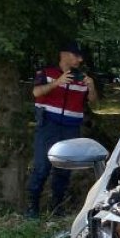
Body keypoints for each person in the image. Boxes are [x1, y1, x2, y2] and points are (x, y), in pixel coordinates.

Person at [26, 42, 96, 218]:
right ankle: (32, 208)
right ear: (64, 54)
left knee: (64, 168)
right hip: (48, 125)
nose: (80, 59)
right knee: (42, 167)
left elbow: (94, 102)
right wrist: (58, 82)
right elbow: (36, 92)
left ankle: (57, 208)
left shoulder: (81, 77)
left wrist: (91, 86)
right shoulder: (47, 73)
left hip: (71, 128)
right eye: (76, 55)